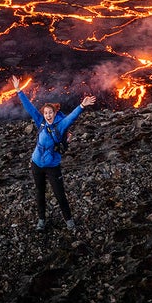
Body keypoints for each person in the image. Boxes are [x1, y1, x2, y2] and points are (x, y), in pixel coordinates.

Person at [11, 75, 96, 231]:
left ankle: (69, 221)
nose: (48, 115)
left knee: (59, 194)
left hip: (52, 166)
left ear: (55, 113)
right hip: (36, 163)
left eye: (50, 113)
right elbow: (29, 107)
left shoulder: (60, 125)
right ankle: (41, 221)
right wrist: (18, 90)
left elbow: (71, 117)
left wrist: (82, 106)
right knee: (40, 192)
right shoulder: (41, 122)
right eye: (46, 113)